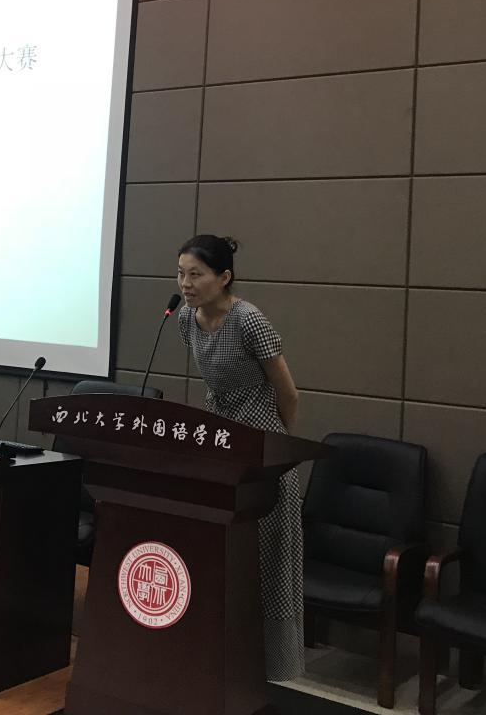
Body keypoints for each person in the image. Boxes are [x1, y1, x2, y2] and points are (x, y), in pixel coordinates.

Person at [176, 234, 303, 682]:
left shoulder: (249, 320)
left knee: (265, 558)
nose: (185, 284)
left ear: (224, 277)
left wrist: (279, 446)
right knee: (220, 551)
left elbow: (288, 393)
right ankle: (217, 654)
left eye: (196, 274)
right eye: (181, 274)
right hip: (219, 442)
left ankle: (268, 666)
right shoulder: (187, 319)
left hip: (262, 448)